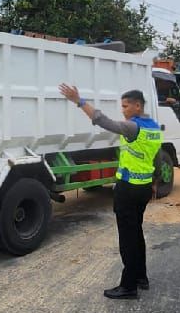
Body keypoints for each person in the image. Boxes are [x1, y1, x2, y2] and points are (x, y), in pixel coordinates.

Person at [59, 83, 162, 300]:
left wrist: (79, 101)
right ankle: (141, 277)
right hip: (143, 188)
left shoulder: (133, 127)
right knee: (136, 233)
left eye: (125, 106)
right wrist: (155, 181)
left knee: (127, 239)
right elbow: (158, 157)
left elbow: (102, 121)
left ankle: (128, 286)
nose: (123, 110)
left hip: (128, 189)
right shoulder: (153, 127)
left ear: (137, 106)